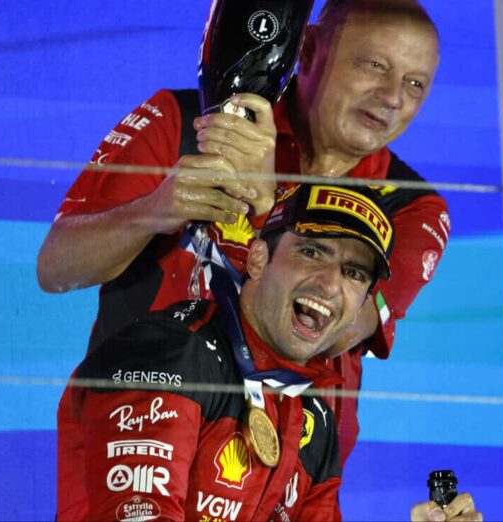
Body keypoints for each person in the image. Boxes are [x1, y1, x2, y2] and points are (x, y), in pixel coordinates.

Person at [38, 0, 451, 466]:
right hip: (136, 435)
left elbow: (335, 331)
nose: (392, 97)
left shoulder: (412, 207)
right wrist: (156, 209)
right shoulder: (185, 121)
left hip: (283, 474)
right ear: (308, 49)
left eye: (415, 84)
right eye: (374, 65)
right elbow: (56, 267)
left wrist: (266, 208)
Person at [56, 184, 481, 521]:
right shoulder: (166, 354)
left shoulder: (314, 415)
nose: (329, 285)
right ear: (258, 258)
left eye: (353, 273)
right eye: (312, 252)